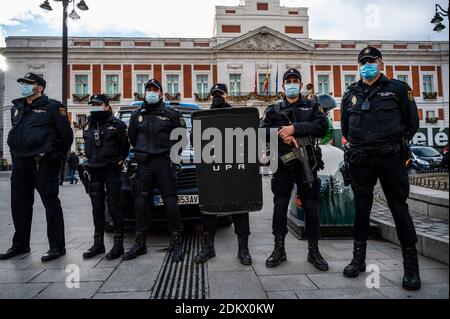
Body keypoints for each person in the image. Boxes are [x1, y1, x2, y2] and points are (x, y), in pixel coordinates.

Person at [340, 47, 421, 290]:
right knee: (361, 210)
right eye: (363, 61)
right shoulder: (350, 94)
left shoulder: (397, 89)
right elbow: (345, 128)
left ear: (381, 63)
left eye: (371, 60)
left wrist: (393, 144)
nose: (367, 64)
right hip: (361, 160)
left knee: (399, 208)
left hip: (390, 159)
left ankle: (411, 267)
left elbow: (412, 124)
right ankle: (358, 259)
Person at [0, 73, 73, 262]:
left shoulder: (53, 107)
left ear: (39, 87)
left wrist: (54, 156)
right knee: (19, 204)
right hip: (21, 163)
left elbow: (66, 136)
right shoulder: (17, 108)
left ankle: (57, 246)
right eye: (22, 83)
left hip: (43, 163)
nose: (23, 86)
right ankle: (21, 244)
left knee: (50, 203)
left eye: (28, 83)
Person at [261, 69, 329, 271]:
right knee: (280, 205)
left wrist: (296, 129)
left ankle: (314, 251)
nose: (291, 84)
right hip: (283, 163)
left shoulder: (312, 106)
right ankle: (279, 249)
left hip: (307, 163)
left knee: (310, 205)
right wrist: (282, 134)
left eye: (295, 81)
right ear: (282, 86)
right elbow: (261, 131)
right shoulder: (274, 109)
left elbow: (322, 127)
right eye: (288, 81)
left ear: (300, 84)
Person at [125, 79, 186, 262]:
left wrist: (169, 155)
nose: (151, 92)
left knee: (170, 202)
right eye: (148, 89)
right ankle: (140, 242)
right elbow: (133, 137)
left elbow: (181, 139)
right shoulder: (137, 114)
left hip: (164, 163)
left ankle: (176, 242)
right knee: (141, 201)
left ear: (161, 93)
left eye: (155, 89)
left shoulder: (171, 114)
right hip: (144, 163)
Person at [194, 84, 252, 266]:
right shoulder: (202, 117)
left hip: (234, 171)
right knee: (209, 208)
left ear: (227, 96)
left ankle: (243, 249)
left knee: (240, 208)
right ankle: (208, 247)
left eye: (220, 94)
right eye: (215, 94)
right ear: (211, 97)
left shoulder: (237, 116)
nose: (217, 97)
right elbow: (195, 141)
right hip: (211, 170)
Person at [82, 94, 130, 260]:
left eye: (98, 104)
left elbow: (125, 147)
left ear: (107, 106)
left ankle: (118, 245)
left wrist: (118, 162)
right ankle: (98, 243)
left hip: (111, 171)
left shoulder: (117, 125)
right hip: (94, 170)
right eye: (92, 104)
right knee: (97, 208)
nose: (94, 106)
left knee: (114, 207)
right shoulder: (88, 125)